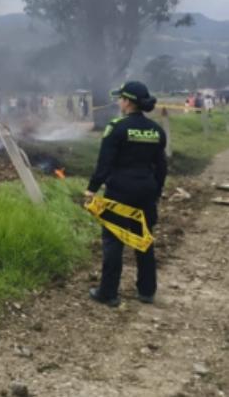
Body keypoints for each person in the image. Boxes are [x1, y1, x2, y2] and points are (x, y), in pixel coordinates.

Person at [85, 81, 167, 307]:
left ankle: (108, 293)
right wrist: (156, 191)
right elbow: (161, 167)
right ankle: (147, 291)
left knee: (113, 239)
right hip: (146, 193)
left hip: (119, 192)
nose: (119, 102)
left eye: (121, 98)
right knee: (143, 240)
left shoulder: (116, 127)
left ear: (128, 102)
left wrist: (92, 188)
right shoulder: (156, 130)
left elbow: (104, 163)